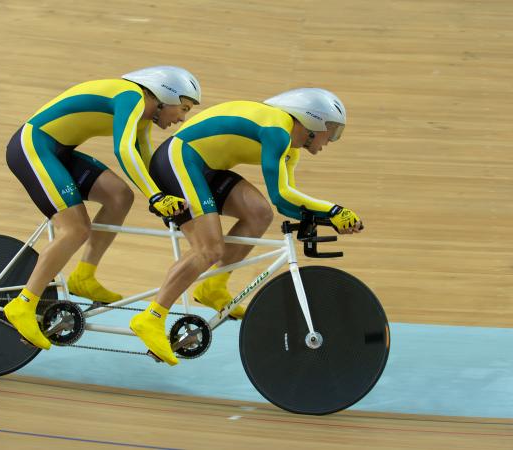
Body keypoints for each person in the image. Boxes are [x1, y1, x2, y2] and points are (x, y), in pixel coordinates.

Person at [131, 88, 364, 365]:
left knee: (259, 213)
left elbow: (283, 204)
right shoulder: (278, 130)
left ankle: (213, 287)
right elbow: (282, 195)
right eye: (332, 131)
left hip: (206, 168)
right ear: (314, 122)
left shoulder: (291, 151)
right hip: (178, 159)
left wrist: (326, 218)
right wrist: (333, 210)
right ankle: (152, 316)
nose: (332, 140)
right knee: (208, 248)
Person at [3, 66, 200, 350]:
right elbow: (124, 150)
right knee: (75, 229)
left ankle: (84, 275)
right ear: (164, 95)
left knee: (120, 196)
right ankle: (23, 304)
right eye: (182, 108)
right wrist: (156, 197)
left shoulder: (145, 113)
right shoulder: (131, 96)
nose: (181, 118)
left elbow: (143, 158)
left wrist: (165, 198)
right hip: (32, 147)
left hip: (58, 151)